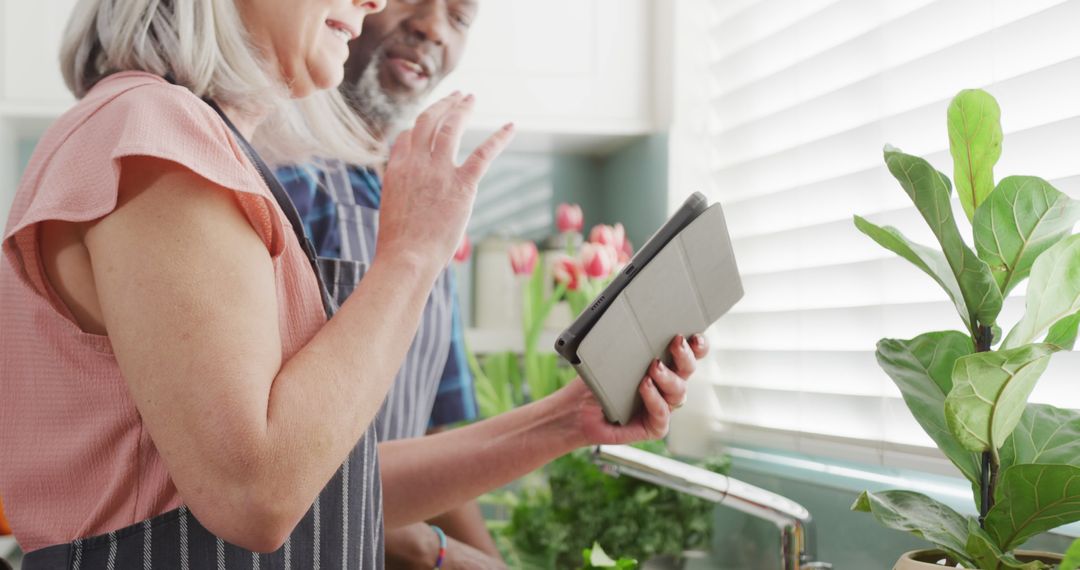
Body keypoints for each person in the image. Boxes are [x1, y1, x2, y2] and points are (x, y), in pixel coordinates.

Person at [0, 2, 706, 570]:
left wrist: (565, 419)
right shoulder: (154, 130)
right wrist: (413, 252)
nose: (371, 3)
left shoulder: (197, 145)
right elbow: (256, 497)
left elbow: (324, 485)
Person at [275, 0, 504, 566]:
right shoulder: (281, 176)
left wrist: (491, 560)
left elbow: (432, 435)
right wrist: (427, 549)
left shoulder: (424, 201)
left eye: (460, 17)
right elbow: (249, 456)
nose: (432, 27)